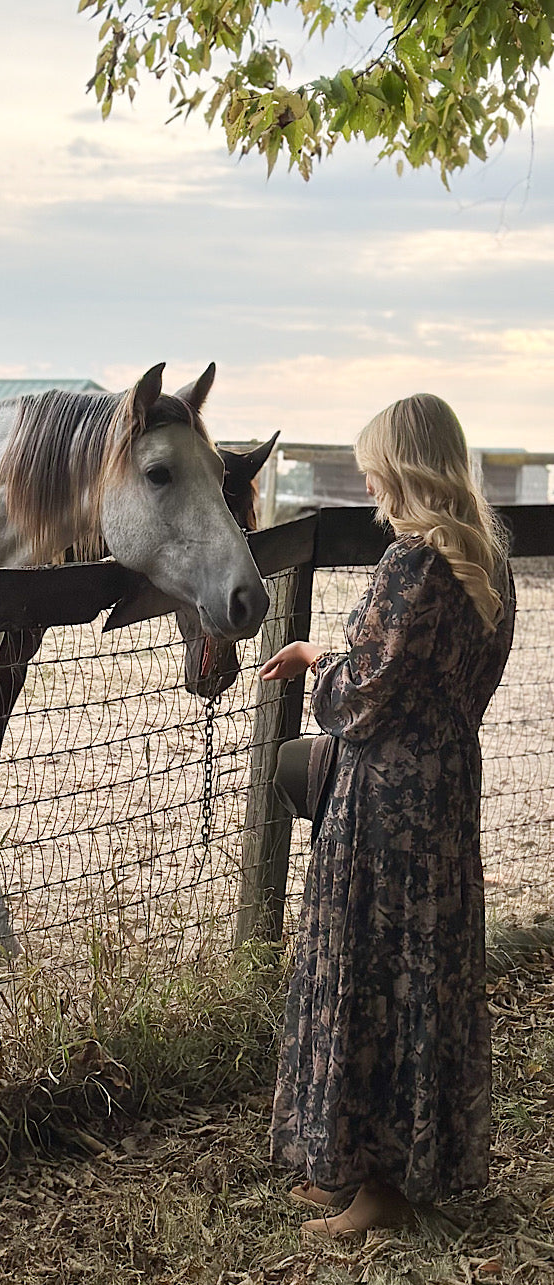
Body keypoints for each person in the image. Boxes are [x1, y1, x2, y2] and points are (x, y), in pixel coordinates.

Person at [260, 393, 515, 1239]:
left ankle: (376, 1187)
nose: (368, 484)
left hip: (385, 799)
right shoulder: (488, 561)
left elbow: (361, 696)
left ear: (402, 467)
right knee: (424, 970)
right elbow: (441, 679)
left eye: (373, 468)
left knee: (372, 968)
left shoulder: (413, 562)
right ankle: (375, 1166)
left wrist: (317, 663)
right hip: (447, 784)